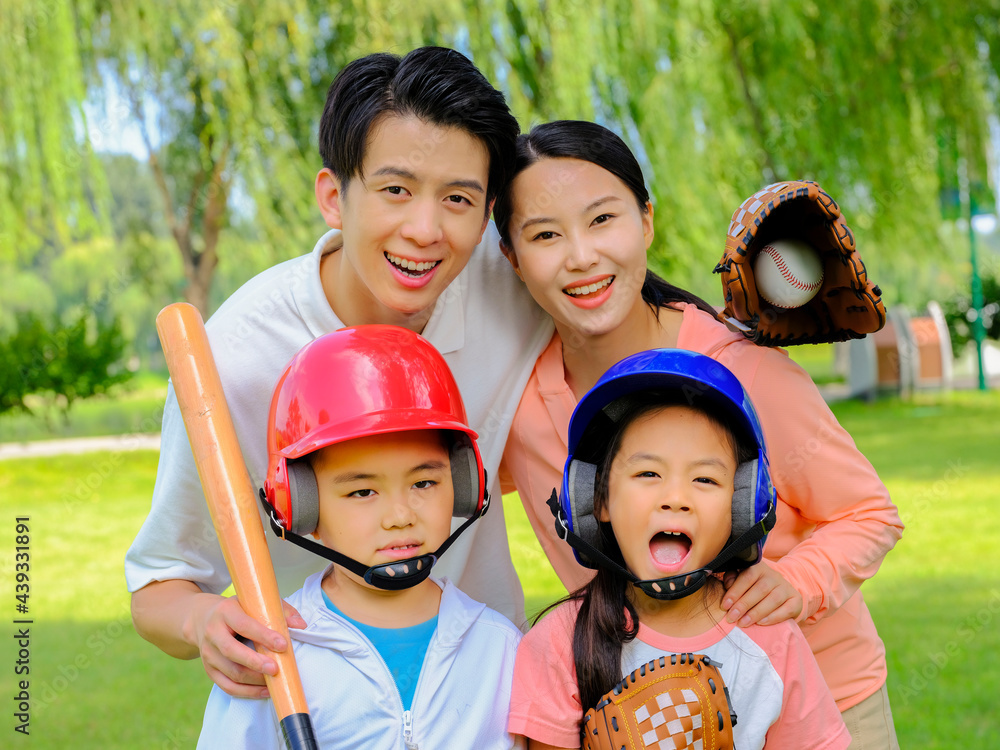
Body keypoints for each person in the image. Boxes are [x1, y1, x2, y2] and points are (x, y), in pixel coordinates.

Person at [126, 46, 552, 699]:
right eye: (395, 190)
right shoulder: (235, 360)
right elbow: (159, 584)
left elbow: (644, 317)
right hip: (320, 704)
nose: (425, 229)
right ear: (334, 196)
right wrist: (204, 619)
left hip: (483, 695)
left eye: (459, 199)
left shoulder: (521, 280)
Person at [493, 121, 902, 747]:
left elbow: (869, 513)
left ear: (647, 221)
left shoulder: (739, 368)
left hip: (823, 696)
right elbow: (417, 489)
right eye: (545, 235)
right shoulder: (518, 406)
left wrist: (795, 583)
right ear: (513, 259)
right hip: (658, 712)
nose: (580, 255)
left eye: (603, 220)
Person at [198, 326, 522, 749]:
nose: (400, 516)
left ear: (464, 484)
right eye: (362, 491)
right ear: (300, 504)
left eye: (424, 483)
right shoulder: (272, 657)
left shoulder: (499, 649)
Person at [509, 348, 850, 749]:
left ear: (743, 509)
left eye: (705, 479)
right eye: (648, 473)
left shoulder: (771, 640)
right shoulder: (558, 645)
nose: (675, 498)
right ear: (595, 502)